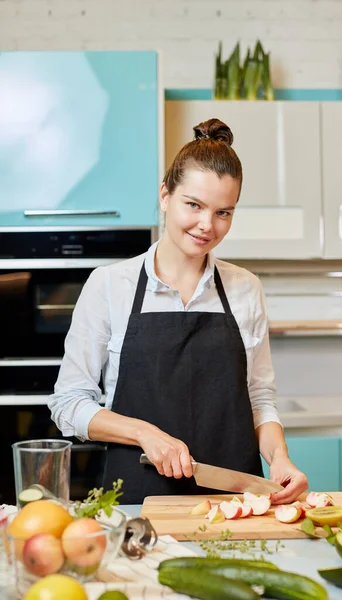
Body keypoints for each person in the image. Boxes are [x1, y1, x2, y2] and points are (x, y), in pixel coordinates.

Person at [49, 118, 308, 505]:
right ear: (165, 195)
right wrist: (144, 433)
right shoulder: (108, 286)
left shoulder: (245, 289)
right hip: (137, 501)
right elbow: (68, 405)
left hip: (234, 500)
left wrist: (280, 457)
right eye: (194, 205)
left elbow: (259, 398)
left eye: (224, 212)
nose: (207, 225)